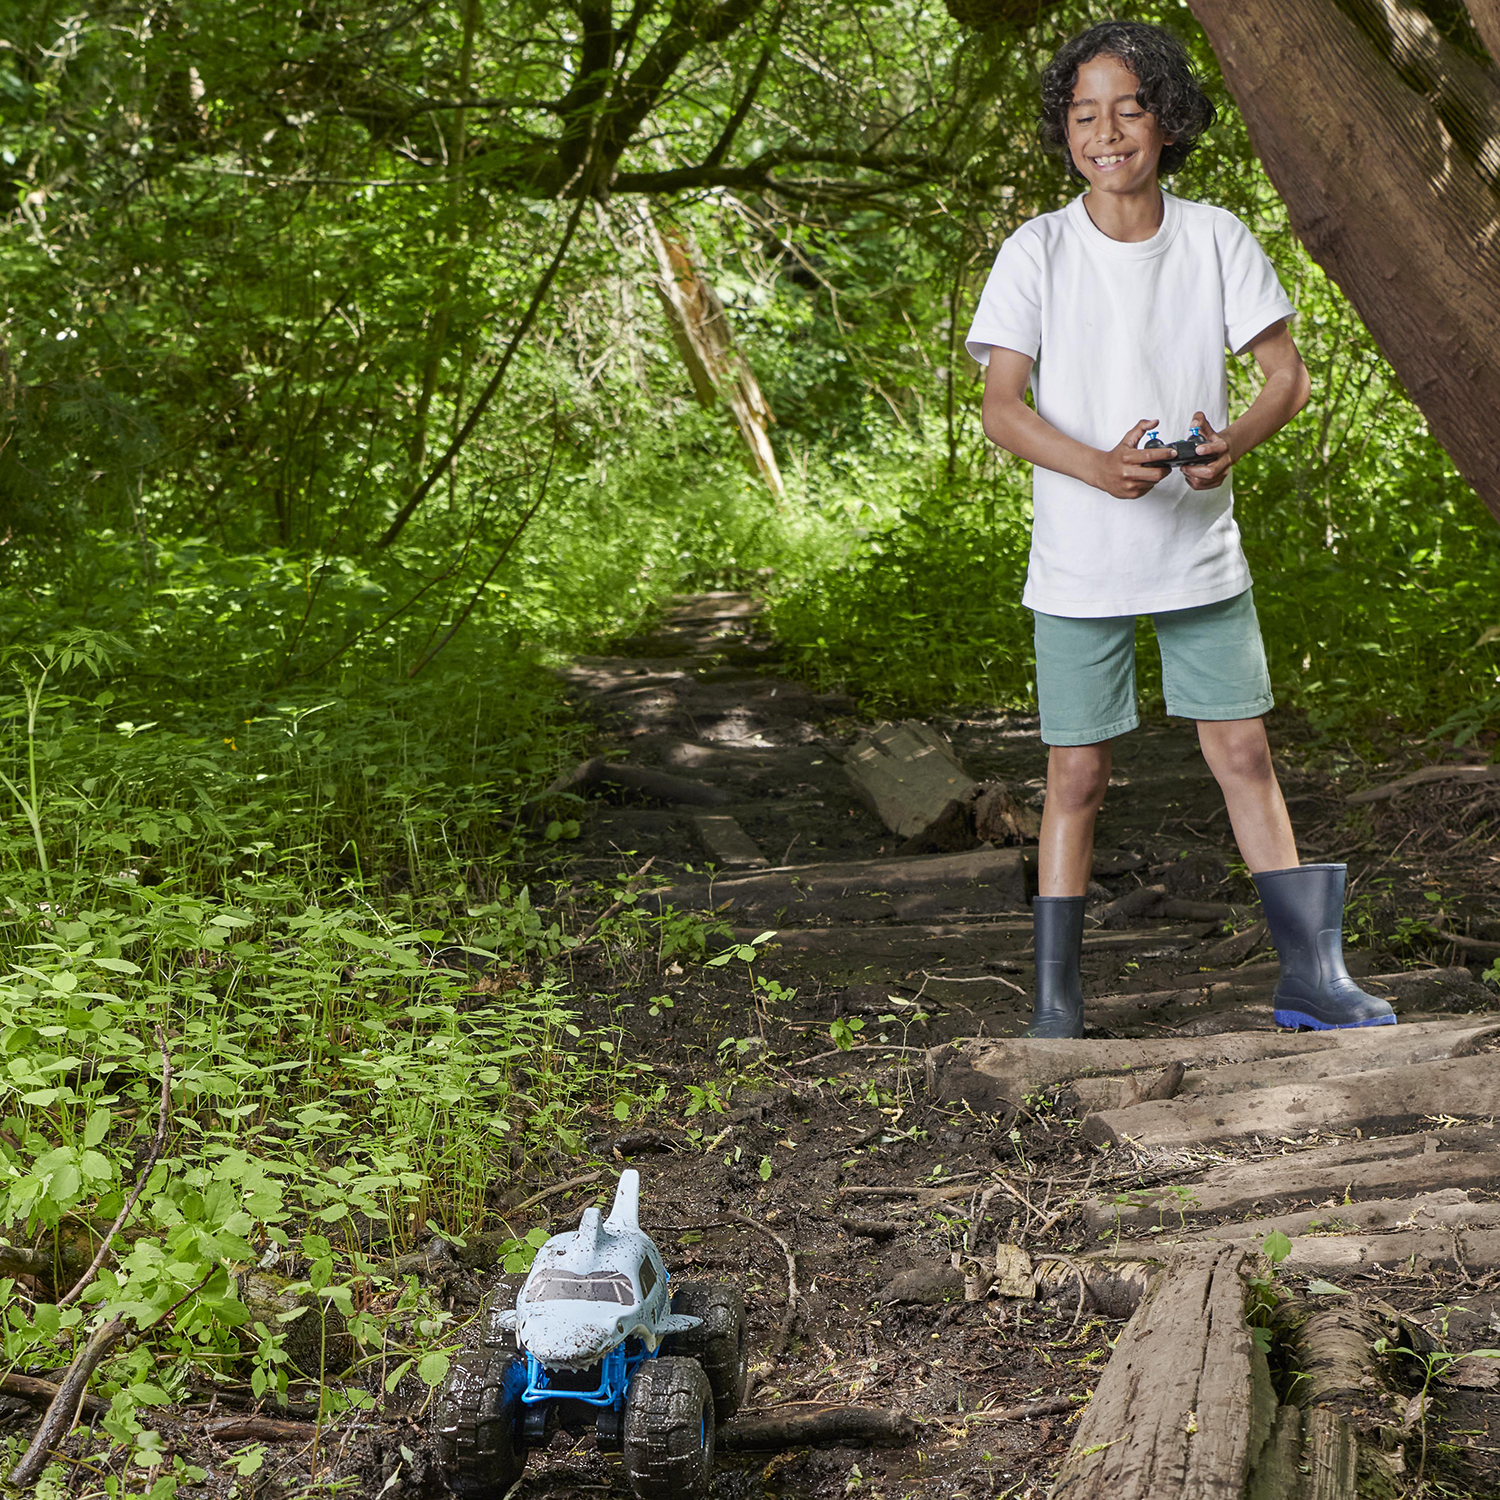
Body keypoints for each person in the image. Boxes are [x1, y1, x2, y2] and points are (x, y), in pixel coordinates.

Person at [965, 19, 1395, 1039]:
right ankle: (1057, 1008)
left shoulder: (1215, 237)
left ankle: (1309, 979)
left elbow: (1282, 376)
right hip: (1079, 558)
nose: (1106, 132)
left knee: (1243, 751)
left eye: (1127, 109)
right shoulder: (1038, 249)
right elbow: (1001, 406)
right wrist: (1096, 467)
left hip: (1200, 551)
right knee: (1077, 771)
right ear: (1064, 132)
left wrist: (1231, 440)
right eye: (1083, 115)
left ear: (1165, 120)